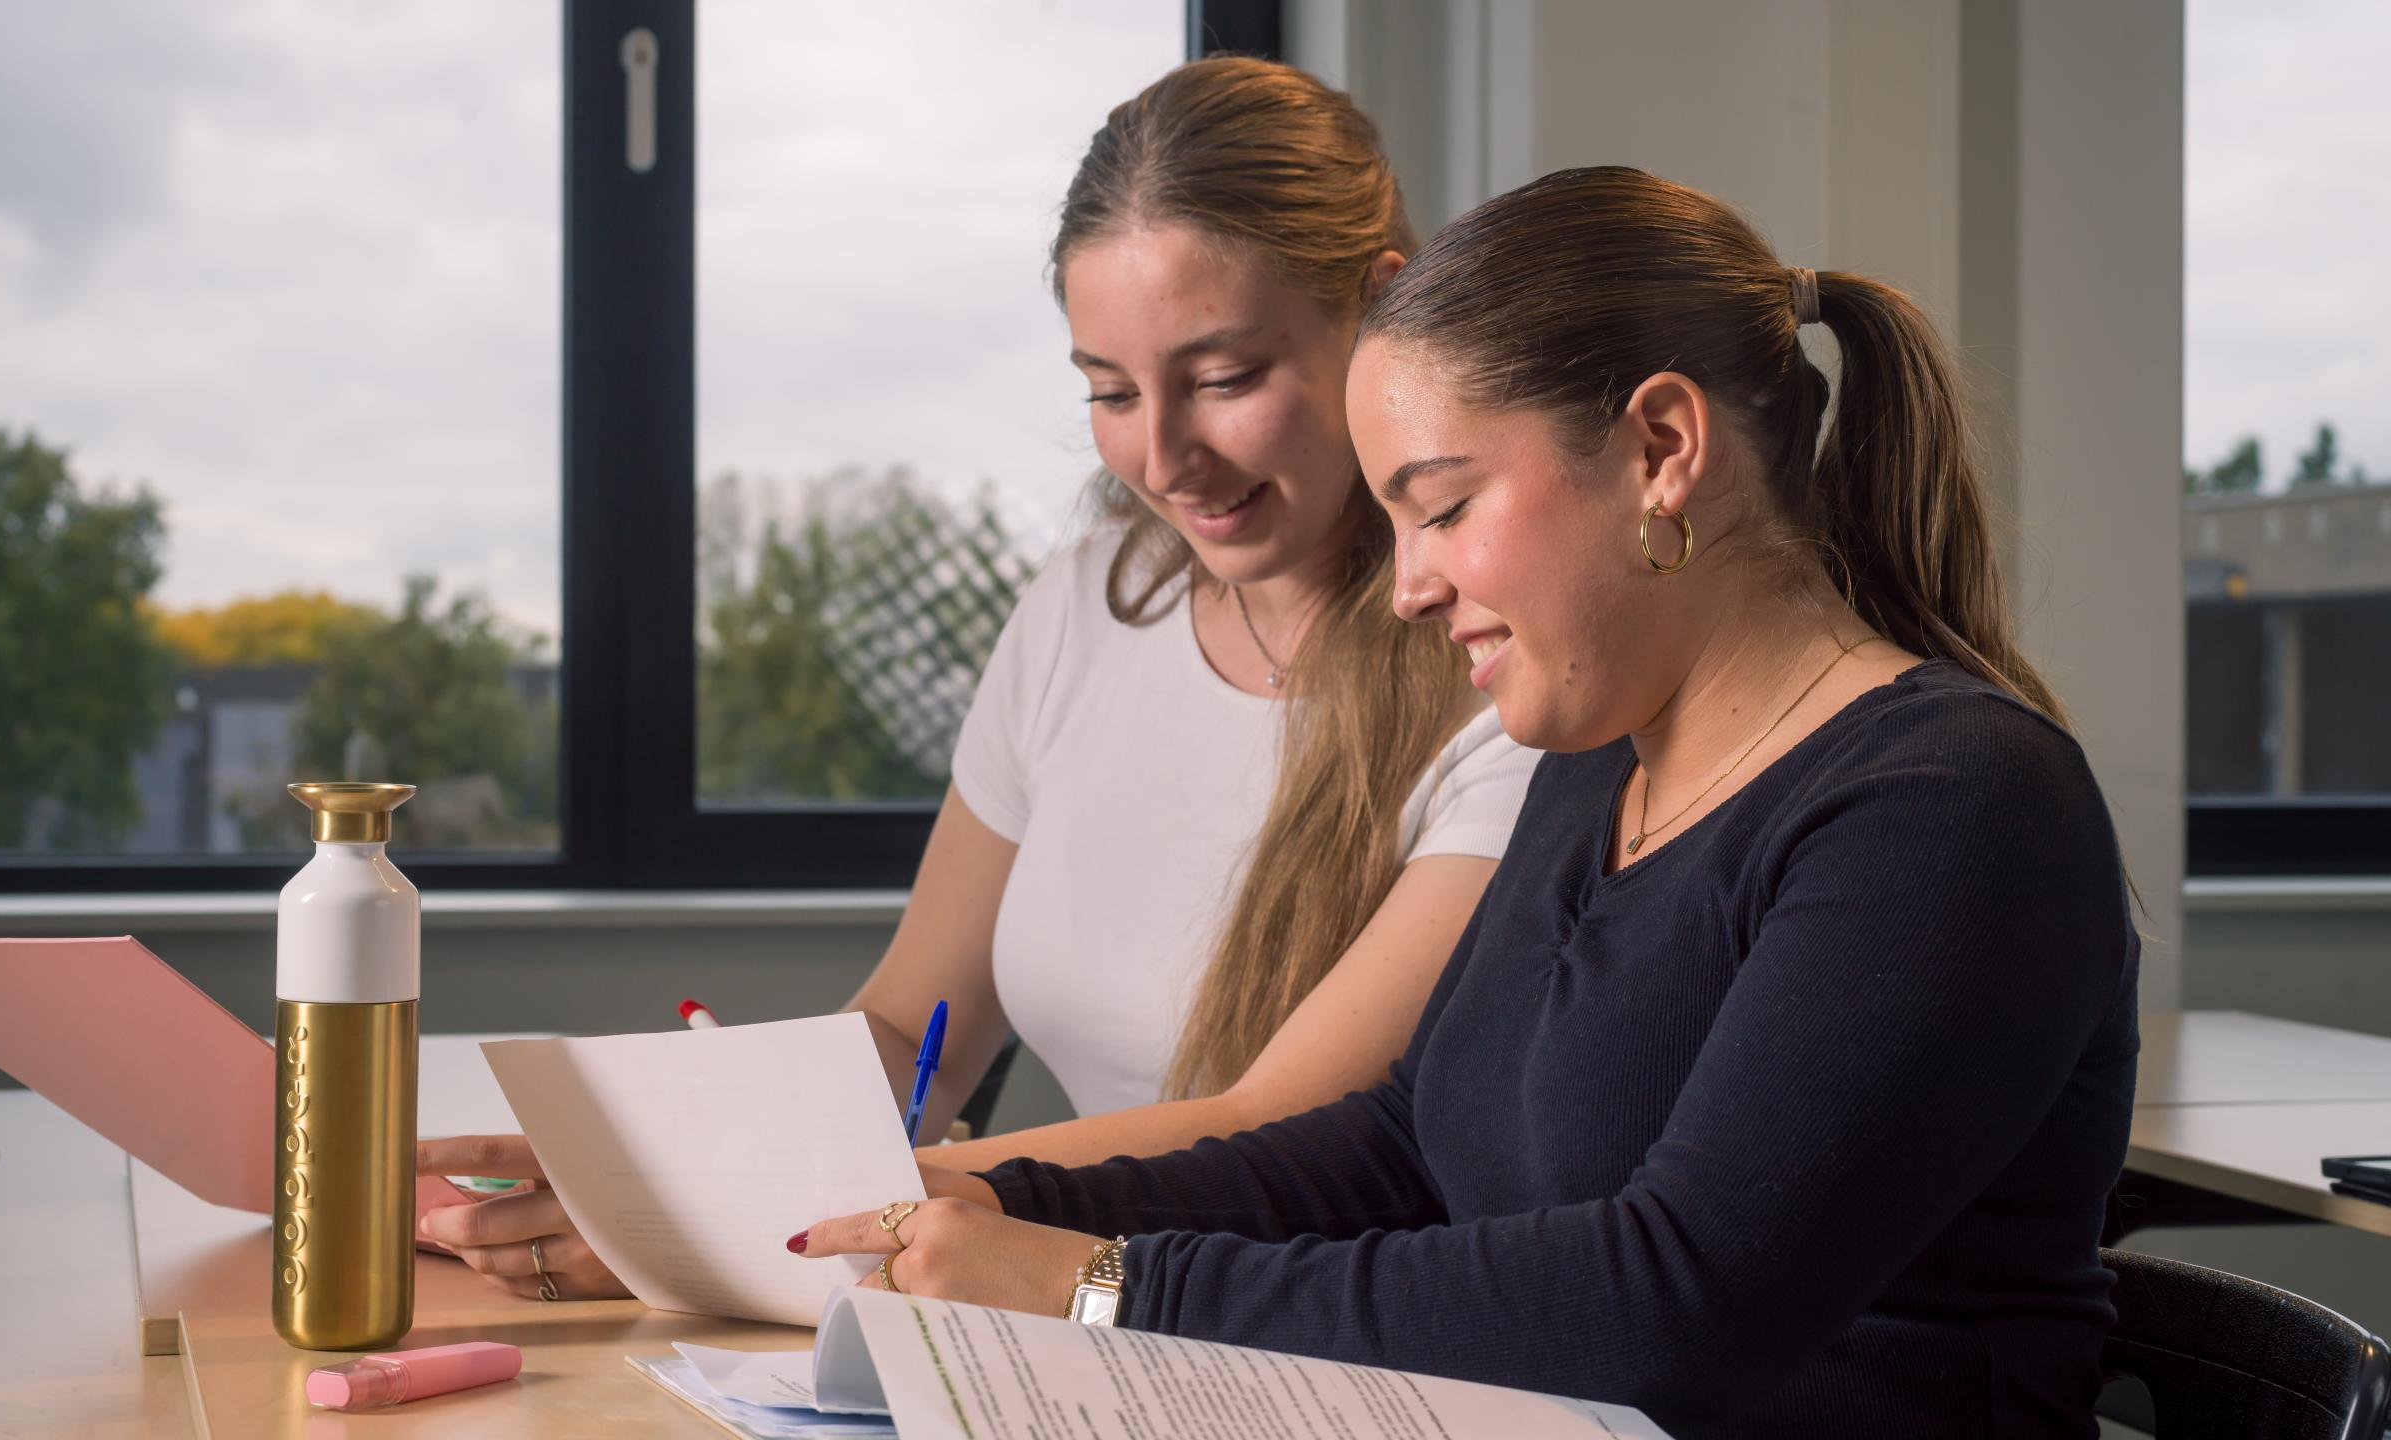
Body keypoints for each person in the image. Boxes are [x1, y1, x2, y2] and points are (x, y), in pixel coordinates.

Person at [791, 166, 2142, 1439]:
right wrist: (998, 1195)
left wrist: (1102, 1285)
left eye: (1441, 509)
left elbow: (1673, 1304)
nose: (1407, 588)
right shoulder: (1597, 769)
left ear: (1662, 448)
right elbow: (1400, 1151)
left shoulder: (1954, 806)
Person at [417, 58, 1536, 1302]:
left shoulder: (1508, 670)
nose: (1163, 459)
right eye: (1109, 392)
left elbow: (1273, 1131)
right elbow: (908, 1030)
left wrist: (785, 1209)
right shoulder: (1094, 601)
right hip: (1067, 1307)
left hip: (1300, 1326)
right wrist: (659, 1162)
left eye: (1223, 380)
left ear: (1382, 315)